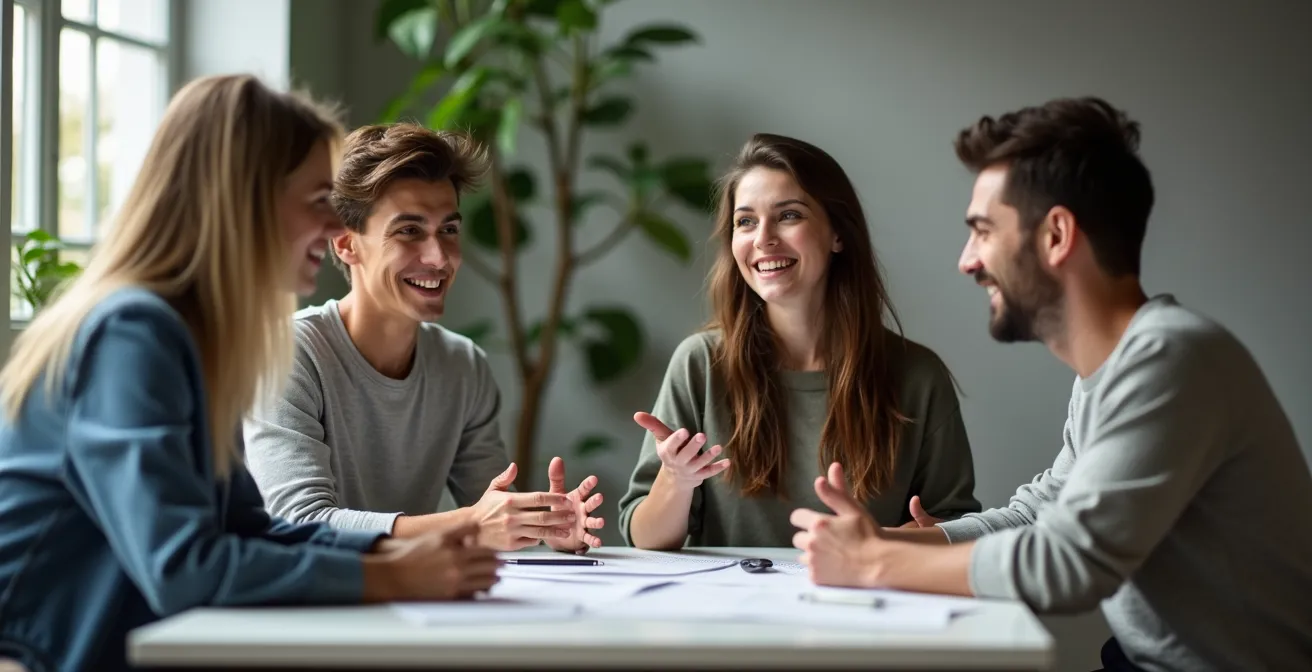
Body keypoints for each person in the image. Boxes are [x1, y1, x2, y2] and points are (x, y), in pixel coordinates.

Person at [789, 97, 1312, 671]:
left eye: (983, 231)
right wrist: (885, 541)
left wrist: (870, 565)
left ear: (1057, 235)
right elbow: (1037, 515)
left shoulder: (1170, 358)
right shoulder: (1112, 373)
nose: (967, 261)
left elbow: (1067, 564)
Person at [0, 76, 502, 672]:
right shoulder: (134, 331)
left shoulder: (196, 337)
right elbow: (183, 568)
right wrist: (387, 575)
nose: (332, 224)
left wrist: (397, 547)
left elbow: (249, 529)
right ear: (247, 200)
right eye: (317, 199)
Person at [242, 122, 604, 553]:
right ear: (345, 244)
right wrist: (471, 523)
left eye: (448, 230)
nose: (438, 258)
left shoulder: (463, 364)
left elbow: (490, 515)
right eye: (409, 231)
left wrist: (542, 529)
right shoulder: (288, 354)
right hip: (297, 609)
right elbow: (301, 523)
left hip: (411, 603)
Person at [618, 133, 981, 549]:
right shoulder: (700, 364)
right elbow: (644, 540)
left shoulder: (917, 375)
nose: (763, 239)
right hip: (730, 612)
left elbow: (959, 531)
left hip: (863, 606)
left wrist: (918, 537)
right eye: (746, 221)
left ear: (838, 235)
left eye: (789, 215)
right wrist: (677, 481)